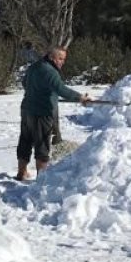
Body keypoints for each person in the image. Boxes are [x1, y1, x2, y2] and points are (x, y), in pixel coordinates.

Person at [17, 46, 90, 180]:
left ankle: (22, 172)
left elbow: (24, 83)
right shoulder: (50, 71)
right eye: (60, 58)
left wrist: (39, 92)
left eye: (64, 59)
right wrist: (80, 97)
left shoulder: (35, 66)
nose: (62, 62)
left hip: (26, 109)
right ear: (51, 57)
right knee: (42, 144)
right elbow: (61, 89)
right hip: (41, 113)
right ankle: (41, 178)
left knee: (25, 141)